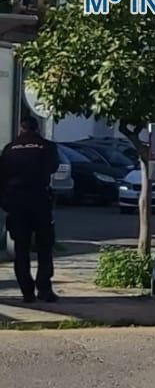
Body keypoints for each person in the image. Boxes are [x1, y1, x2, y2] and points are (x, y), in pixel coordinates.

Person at [0, 115, 59, 302]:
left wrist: (6, 202)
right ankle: (44, 289)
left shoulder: (9, 149)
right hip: (39, 200)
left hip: (16, 203)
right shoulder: (47, 146)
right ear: (36, 128)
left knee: (21, 248)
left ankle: (27, 292)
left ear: (21, 128)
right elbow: (53, 167)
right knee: (44, 246)